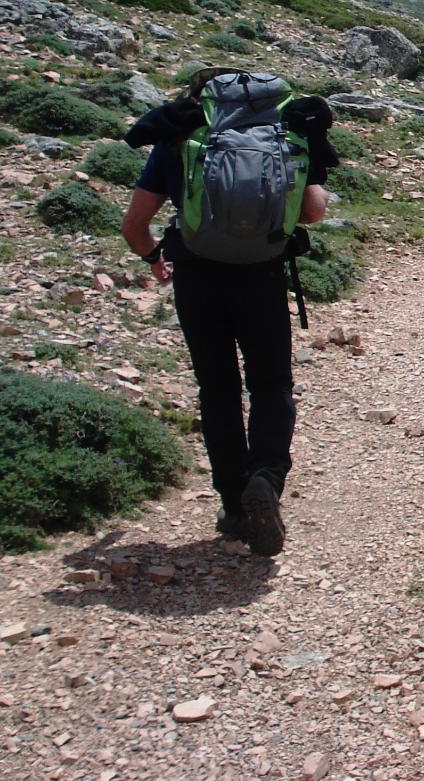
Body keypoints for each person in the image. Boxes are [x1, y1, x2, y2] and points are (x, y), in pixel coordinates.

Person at [121, 71, 335, 556]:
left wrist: (154, 257)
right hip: (261, 273)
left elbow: (135, 223)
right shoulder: (287, 132)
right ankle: (266, 479)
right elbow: (315, 211)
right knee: (271, 384)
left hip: (196, 276)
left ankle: (234, 506)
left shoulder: (181, 134)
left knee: (217, 388)